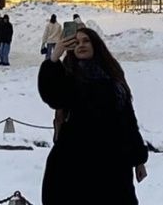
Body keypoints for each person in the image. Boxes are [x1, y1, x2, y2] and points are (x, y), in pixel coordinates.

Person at [39, 28, 148, 204]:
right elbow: (52, 96)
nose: (81, 45)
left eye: (86, 41)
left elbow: (127, 121)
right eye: (77, 42)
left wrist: (138, 160)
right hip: (75, 165)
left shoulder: (113, 77)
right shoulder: (69, 76)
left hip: (112, 165)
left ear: (95, 44)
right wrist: (53, 59)